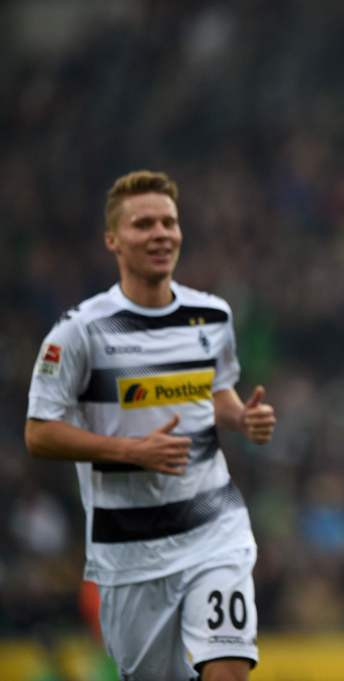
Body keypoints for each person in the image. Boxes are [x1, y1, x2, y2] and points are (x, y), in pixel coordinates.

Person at [25, 170, 276, 681]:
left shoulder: (212, 316)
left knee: (227, 669)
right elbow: (39, 432)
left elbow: (213, 392)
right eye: (144, 224)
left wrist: (241, 418)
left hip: (213, 527)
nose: (161, 233)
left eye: (169, 222)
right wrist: (130, 451)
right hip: (128, 551)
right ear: (113, 240)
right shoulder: (79, 332)